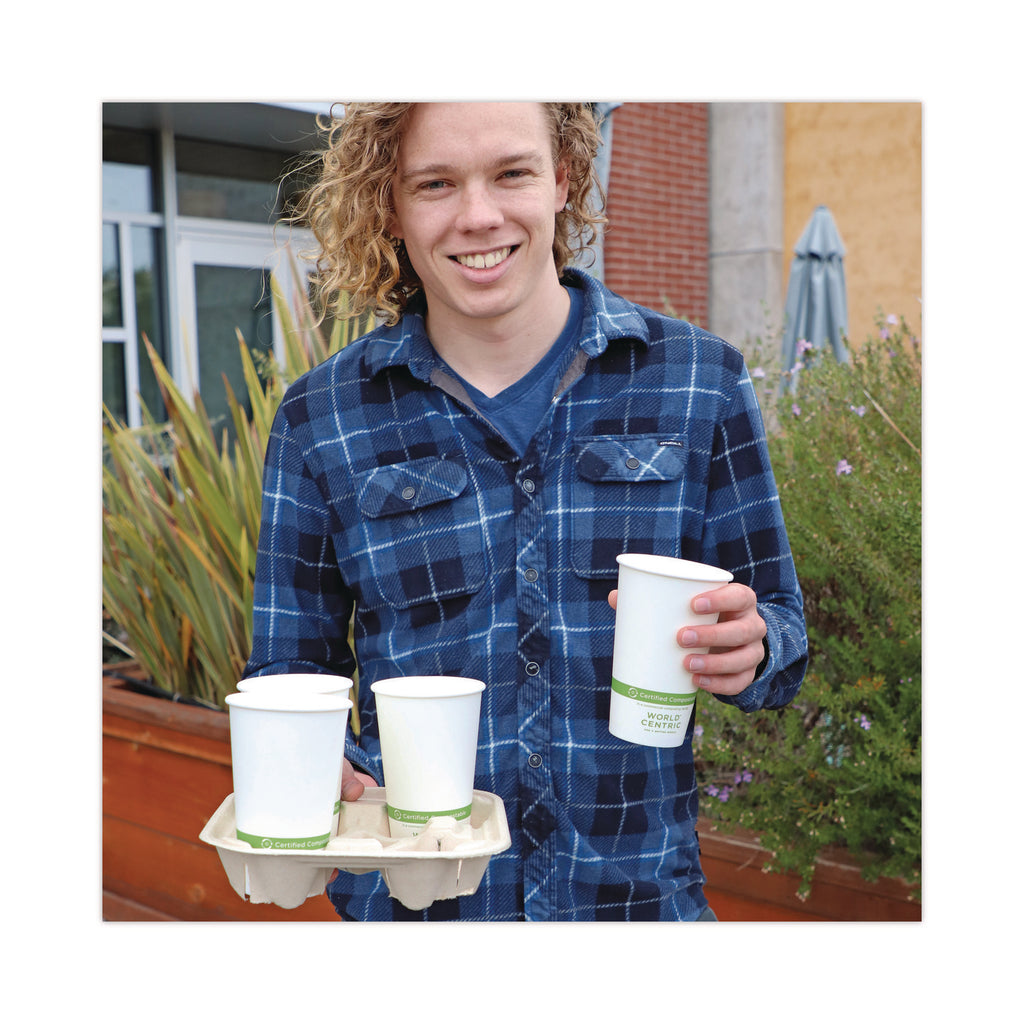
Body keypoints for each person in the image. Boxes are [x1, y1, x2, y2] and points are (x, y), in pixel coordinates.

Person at [243, 101, 808, 921]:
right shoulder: (320, 418)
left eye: (512, 173)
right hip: (417, 912)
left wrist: (753, 649)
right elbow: (287, 670)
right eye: (435, 184)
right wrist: (313, 756)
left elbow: (782, 630)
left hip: (638, 912)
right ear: (391, 206)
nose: (479, 216)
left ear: (563, 181)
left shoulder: (699, 381)